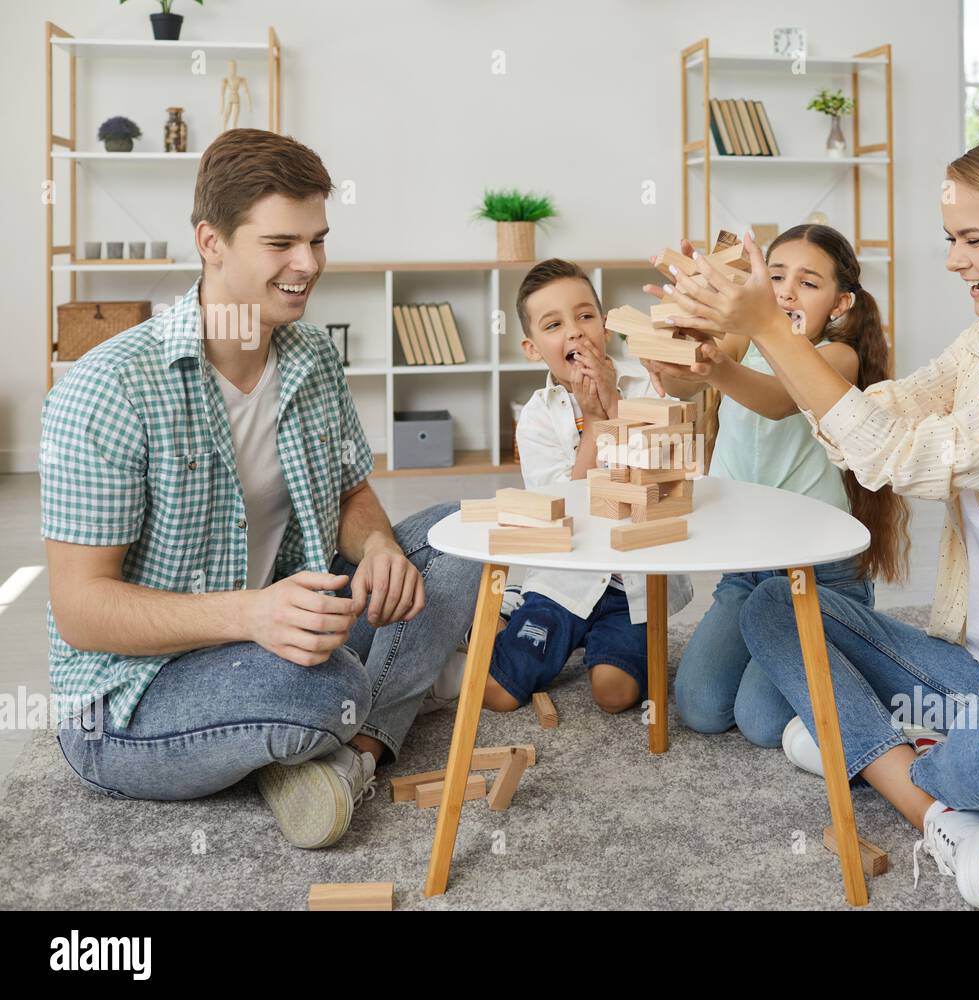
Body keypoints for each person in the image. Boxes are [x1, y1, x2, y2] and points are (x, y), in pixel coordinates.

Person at [660, 129, 979, 911]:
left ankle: (869, 750)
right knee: (780, 604)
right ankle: (936, 812)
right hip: (968, 681)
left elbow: (902, 458)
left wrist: (772, 328)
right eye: (951, 239)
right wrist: (734, 354)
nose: (951, 261)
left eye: (972, 240)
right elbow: (878, 412)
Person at [43, 128, 479, 849]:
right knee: (326, 686)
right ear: (211, 241)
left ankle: (350, 760)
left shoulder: (309, 355)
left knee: (460, 538)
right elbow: (82, 609)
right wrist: (251, 616)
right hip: (136, 693)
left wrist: (375, 547)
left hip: (278, 624)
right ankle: (367, 707)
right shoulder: (109, 389)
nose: (307, 265)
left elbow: (349, 491)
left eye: (317, 239)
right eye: (281, 244)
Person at [640, 225, 913, 762]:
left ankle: (861, 646)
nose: (786, 292)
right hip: (747, 567)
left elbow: (777, 400)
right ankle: (804, 662)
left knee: (761, 722)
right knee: (699, 707)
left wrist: (716, 365)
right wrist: (674, 348)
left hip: (815, 574)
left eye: (808, 283)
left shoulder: (837, 360)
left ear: (840, 304)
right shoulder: (742, 343)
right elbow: (685, 383)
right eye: (777, 276)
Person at [480, 259, 693, 716]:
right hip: (565, 577)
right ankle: (520, 610)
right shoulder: (537, 416)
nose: (575, 333)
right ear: (533, 348)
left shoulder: (648, 388)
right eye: (554, 325)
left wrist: (613, 406)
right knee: (498, 693)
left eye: (585, 316)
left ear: (606, 327)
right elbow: (562, 509)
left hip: (631, 584)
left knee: (614, 695)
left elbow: (666, 483)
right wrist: (594, 425)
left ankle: (595, 638)